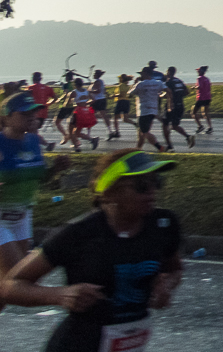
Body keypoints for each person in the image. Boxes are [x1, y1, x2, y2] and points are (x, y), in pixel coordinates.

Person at [1, 149, 184, 352]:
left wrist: (167, 284)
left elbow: (174, 269)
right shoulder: (79, 233)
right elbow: (10, 286)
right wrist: (60, 295)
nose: (152, 192)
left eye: (156, 182)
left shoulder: (163, 225)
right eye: (141, 186)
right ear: (110, 192)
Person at [0, 92, 70, 316]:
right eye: (25, 113)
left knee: (7, 287)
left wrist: (55, 170)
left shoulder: (33, 141)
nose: (33, 117)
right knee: (17, 276)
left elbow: (40, 179)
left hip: (22, 217)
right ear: (7, 117)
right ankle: (65, 297)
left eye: (34, 112)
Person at [129, 68, 166, 152]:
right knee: (141, 132)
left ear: (145, 74)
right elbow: (167, 90)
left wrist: (134, 84)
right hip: (153, 110)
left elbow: (130, 94)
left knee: (145, 132)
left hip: (143, 111)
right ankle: (138, 149)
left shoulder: (140, 84)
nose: (140, 76)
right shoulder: (157, 83)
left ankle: (159, 147)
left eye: (141, 74)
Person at [159, 68, 194, 151]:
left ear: (168, 72)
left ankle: (169, 145)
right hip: (180, 105)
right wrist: (179, 96)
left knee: (165, 124)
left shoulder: (169, 82)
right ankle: (188, 137)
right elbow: (187, 92)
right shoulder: (179, 81)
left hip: (171, 106)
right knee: (174, 126)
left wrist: (161, 96)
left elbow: (169, 93)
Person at [26, 72, 57, 151]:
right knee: (32, 131)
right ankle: (44, 145)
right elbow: (55, 98)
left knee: (30, 131)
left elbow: (26, 100)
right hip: (43, 113)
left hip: (33, 113)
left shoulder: (30, 88)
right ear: (40, 79)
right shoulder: (47, 88)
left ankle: (45, 145)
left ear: (33, 79)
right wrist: (48, 104)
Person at [88, 71, 112, 140]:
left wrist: (89, 92)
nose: (93, 75)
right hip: (101, 99)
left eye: (94, 74)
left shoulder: (97, 82)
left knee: (91, 116)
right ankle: (109, 131)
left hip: (97, 100)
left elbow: (98, 91)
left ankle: (88, 134)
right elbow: (103, 91)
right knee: (103, 115)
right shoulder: (100, 81)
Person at [111, 75, 134, 140]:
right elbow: (131, 95)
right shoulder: (128, 87)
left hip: (120, 102)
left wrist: (113, 96)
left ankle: (117, 131)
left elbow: (120, 94)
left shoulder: (120, 86)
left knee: (115, 117)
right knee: (125, 118)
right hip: (127, 102)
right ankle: (136, 124)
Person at [191, 66, 212, 135]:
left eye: (198, 71)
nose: (197, 72)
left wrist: (194, 87)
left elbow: (200, 86)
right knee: (205, 113)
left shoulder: (199, 78)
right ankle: (210, 127)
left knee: (193, 112)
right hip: (208, 97)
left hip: (201, 98)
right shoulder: (207, 79)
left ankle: (200, 126)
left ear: (201, 72)